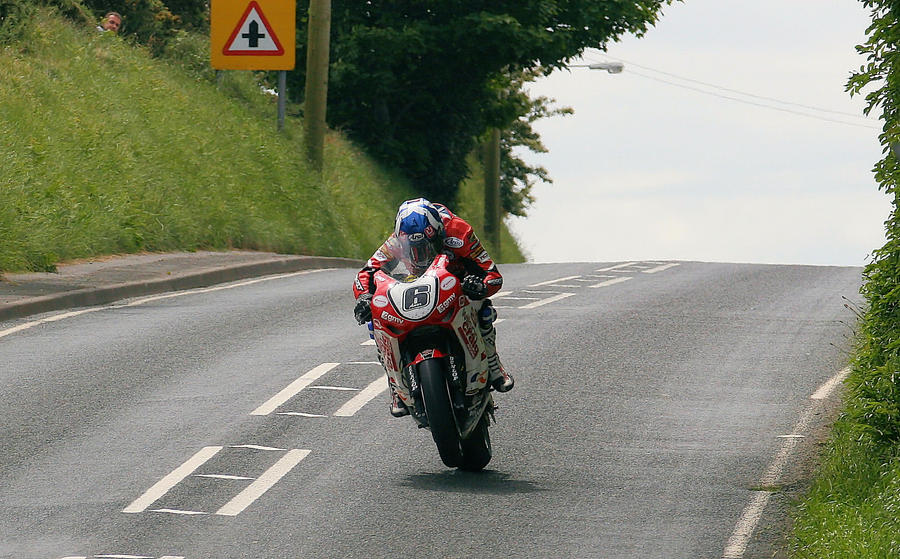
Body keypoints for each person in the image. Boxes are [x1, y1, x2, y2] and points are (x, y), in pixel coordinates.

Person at [353, 198, 514, 418]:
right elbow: (366, 272)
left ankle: (493, 364)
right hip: (419, 284)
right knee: (375, 322)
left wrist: (480, 286)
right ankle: (395, 384)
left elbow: (493, 275)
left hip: (458, 280)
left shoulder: (459, 232)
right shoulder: (397, 241)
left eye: (426, 246)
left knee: (483, 309)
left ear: (439, 233)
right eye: (413, 249)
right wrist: (363, 296)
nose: (420, 254)